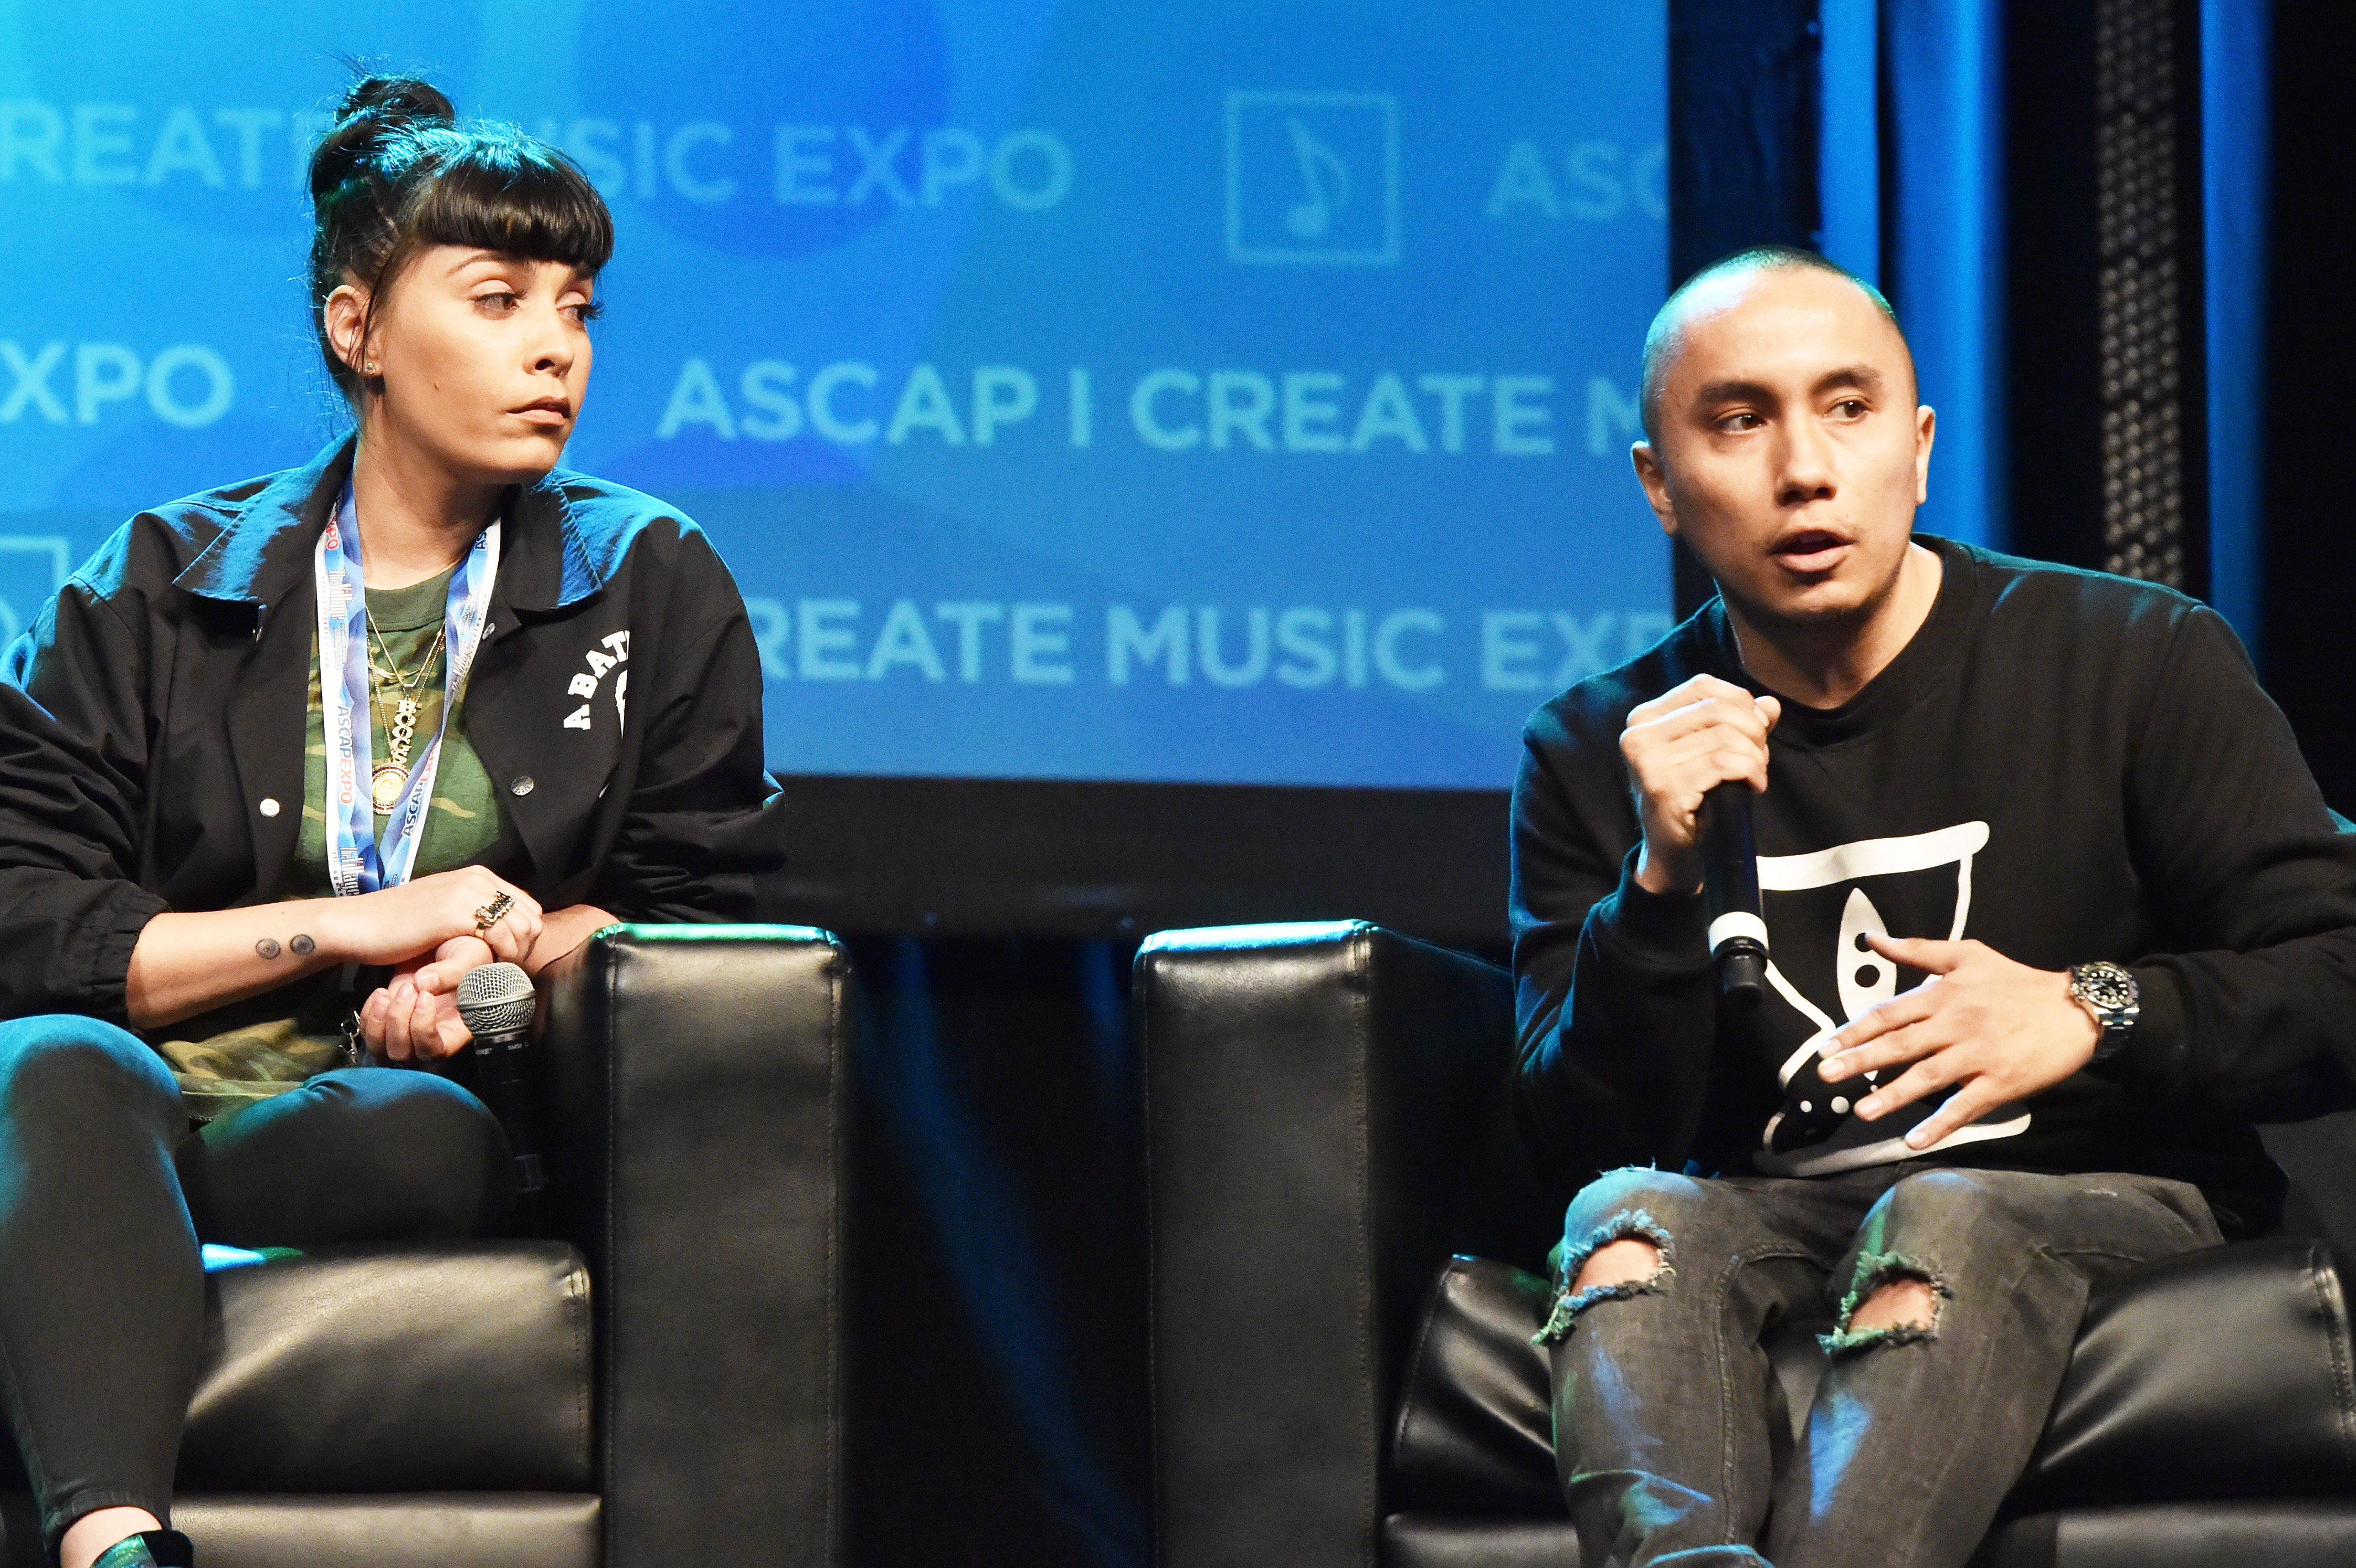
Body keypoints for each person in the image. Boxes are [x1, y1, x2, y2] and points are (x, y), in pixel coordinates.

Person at [0, 76, 780, 1568]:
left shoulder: (654, 583)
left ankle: (108, 1240)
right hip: (127, 1095)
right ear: (357, 328)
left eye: (579, 306)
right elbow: (21, 913)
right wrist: (364, 925)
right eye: (497, 299)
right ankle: (116, 1547)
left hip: (367, 1125)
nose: (556, 345)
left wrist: (512, 974)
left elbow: (706, 932)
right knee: (51, 1067)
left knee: (420, 1133)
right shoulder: (160, 579)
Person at [1509, 245, 2356, 1566]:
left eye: (1847, 411)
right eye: (1739, 421)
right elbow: (1580, 1139)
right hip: (1781, 1212)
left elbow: (2342, 970)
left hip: (2102, 1196)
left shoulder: (2135, 658)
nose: (1803, 469)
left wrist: (2092, 1009)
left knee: (1944, 1210)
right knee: (1626, 1226)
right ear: (1660, 485)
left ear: (1918, 445)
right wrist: (1660, 883)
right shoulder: (1598, 747)